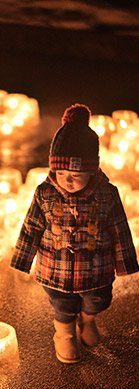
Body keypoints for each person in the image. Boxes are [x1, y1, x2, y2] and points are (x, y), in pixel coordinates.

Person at [10, 103, 139, 363]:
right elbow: (31, 226)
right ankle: (65, 333)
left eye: (76, 174)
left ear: (92, 170)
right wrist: (22, 259)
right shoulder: (44, 193)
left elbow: (119, 229)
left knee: (99, 300)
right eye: (61, 172)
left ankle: (88, 320)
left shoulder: (106, 194)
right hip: (55, 268)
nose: (67, 180)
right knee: (62, 305)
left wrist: (124, 264)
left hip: (95, 269)